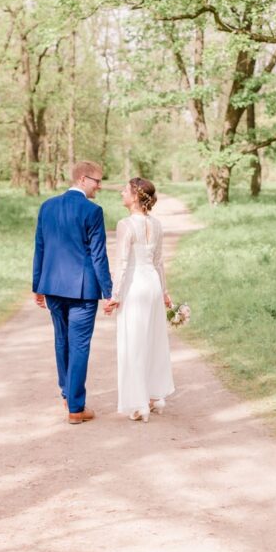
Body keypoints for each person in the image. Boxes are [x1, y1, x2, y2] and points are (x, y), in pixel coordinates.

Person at [32, 161, 114, 425]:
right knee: (78, 345)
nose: (99, 186)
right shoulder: (92, 211)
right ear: (82, 179)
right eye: (96, 181)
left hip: (53, 286)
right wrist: (108, 291)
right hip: (82, 290)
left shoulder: (47, 207)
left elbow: (40, 249)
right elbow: (99, 256)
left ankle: (68, 394)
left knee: (61, 340)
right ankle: (76, 408)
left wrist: (38, 285)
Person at [105, 177, 175, 422]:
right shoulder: (156, 224)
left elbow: (123, 264)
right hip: (153, 285)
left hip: (135, 286)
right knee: (154, 340)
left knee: (133, 343)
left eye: (125, 190)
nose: (122, 193)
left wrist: (115, 296)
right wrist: (165, 292)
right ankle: (156, 397)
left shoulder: (125, 224)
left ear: (135, 196)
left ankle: (138, 404)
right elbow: (159, 262)